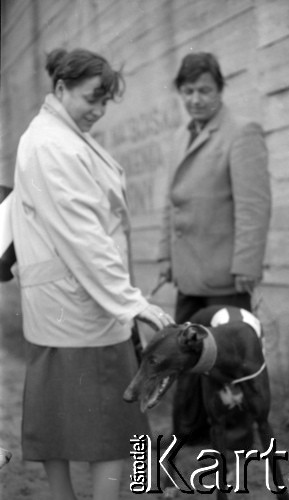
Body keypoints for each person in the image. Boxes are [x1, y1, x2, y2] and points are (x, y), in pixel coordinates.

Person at [11, 48, 173, 500]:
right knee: (113, 423)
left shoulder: (53, 136)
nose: (98, 111)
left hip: (65, 302)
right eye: (91, 99)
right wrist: (130, 302)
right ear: (60, 89)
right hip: (83, 304)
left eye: (105, 102)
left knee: (56, 418)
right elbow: (84, 234)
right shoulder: (53, 143)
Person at [158, 52, 271, 446]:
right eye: (187, 91)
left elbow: (254, 205)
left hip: (226, 275)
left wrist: (247, 263)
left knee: (227, 362)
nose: (196, 99)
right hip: (189, 273)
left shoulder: (242, 132)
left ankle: (236, 441)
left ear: (220, 90)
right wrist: (164, 257)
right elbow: (170, 204)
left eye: (204, 90)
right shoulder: (179, 136)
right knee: (183, 355)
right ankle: (190, 435)